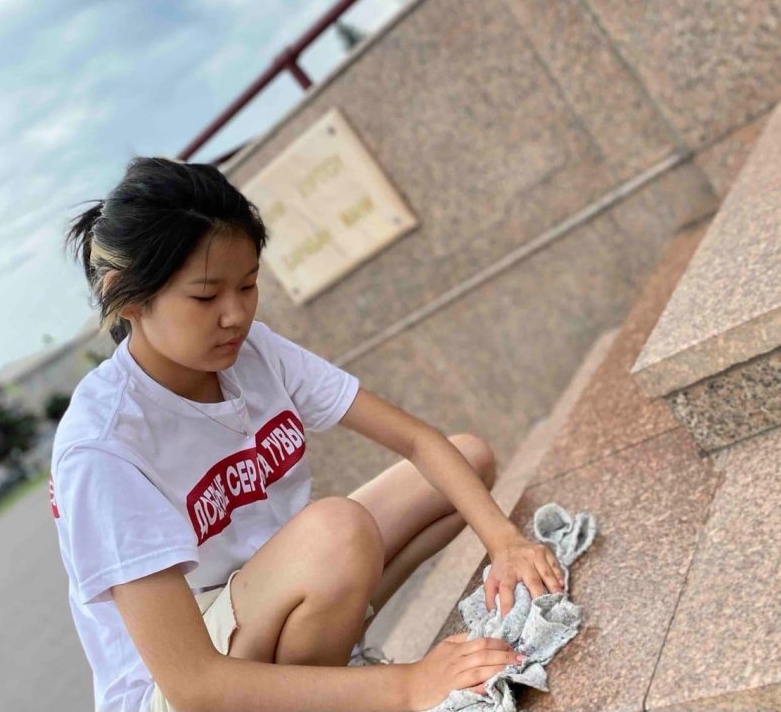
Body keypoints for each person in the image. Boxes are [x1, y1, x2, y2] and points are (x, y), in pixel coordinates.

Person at [51, 155, 566, 712]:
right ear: (127, 297)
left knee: (469, 459)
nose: (235, 315)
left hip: (264, 604)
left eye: (248, 285)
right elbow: (193, 685)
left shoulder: (252, 351)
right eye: (205, 297)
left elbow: (418, 441)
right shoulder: (102, 447)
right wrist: (410, 685)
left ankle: (331, 671)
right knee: (337, 531)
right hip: (178, 689)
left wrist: (506, 543)